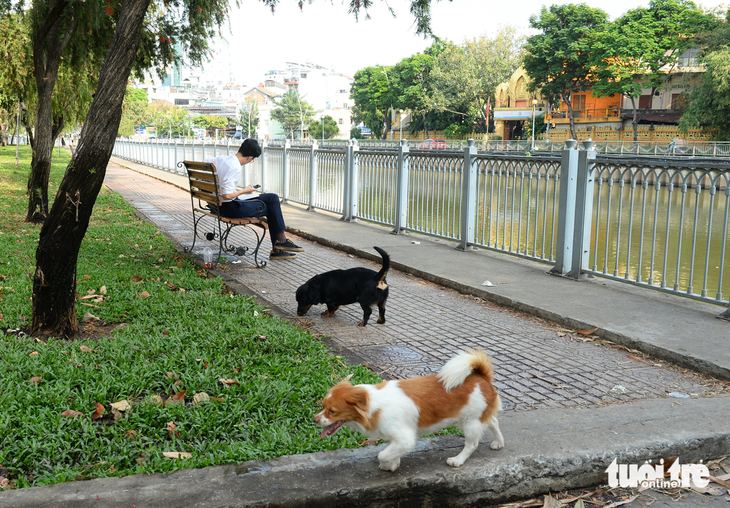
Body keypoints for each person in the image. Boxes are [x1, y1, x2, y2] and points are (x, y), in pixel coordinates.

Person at [203, 138, 303, 260]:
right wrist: (245, 191)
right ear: (250, 158)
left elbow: (204, 163)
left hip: (216, 204)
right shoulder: (235, 167)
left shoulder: (221, 159)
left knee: (272, 198)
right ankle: (280, 244)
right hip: (230, 208)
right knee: (271, 207)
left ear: (239, 148)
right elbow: (227, 195)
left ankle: (280, 244)